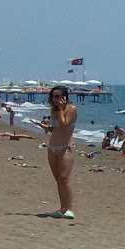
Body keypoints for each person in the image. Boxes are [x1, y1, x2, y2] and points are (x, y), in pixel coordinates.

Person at [33, 85, 78, 218]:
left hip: (66, 146)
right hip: (53, 146)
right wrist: (42, 125)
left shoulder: (72, 109)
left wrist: (60, 109)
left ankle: (69, 208)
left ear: (64, 97)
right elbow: (54, 129)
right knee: (58, 180)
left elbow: (64, 124)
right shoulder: (54, 110)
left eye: (57, 96)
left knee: (64, 179)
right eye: (53, 96)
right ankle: (62, 208)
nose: (54, 99)